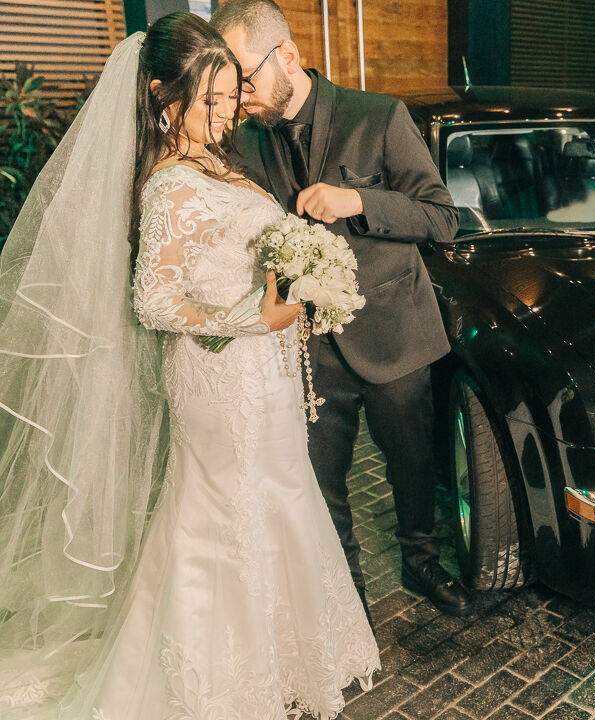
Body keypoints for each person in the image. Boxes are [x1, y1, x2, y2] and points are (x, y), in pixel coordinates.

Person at [0, 14, 378, 719]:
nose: (222, 113)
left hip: (259, 374)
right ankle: (219, 678)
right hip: (216, 381)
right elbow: (154, 301)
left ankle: (285, 661)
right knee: (223, 517)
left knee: (281, 495)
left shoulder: (217, 163)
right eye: (206, 100)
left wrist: (304, 283)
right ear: (158, 95)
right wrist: (255, 318)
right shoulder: (169, 184)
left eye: (228, 96)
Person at [210, 0, 471, 617]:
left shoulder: (378, 116)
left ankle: (421, 562)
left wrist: (359, 200)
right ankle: (346, 593)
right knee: (321, 484)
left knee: (412, 469)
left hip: (395, 338)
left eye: (245, 77)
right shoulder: (245, 141)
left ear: (289, 55)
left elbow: (443, 219)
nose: (240, 95)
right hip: (304, 347)